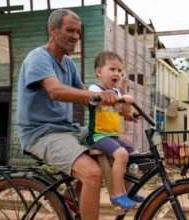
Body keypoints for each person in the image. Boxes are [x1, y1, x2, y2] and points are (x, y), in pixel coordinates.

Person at [17, 9, 121, 220]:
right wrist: (98, 96)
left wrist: (120, 104)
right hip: (41, 133)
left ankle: (69, 196)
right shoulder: (38, 58)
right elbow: (55, 91)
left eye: (78, 32)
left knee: (119, 144)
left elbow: (86, 99)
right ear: (53, 30)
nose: (76, 36)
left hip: (68, 130)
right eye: (70, 30)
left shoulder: (69, 64)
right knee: (92, 173)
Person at [86, 51, 145, 209]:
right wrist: (117, 96)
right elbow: (98, 98)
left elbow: (123, 111)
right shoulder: (94, 88)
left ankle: (130, 190)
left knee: (134, 155)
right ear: (99, 72)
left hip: (111, 136)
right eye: (112, 69)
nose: (117, 74)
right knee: (121, 154)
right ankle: (116, 194)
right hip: (98, 136)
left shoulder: (117, 92)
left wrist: (125, 95)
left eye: (119, 71)